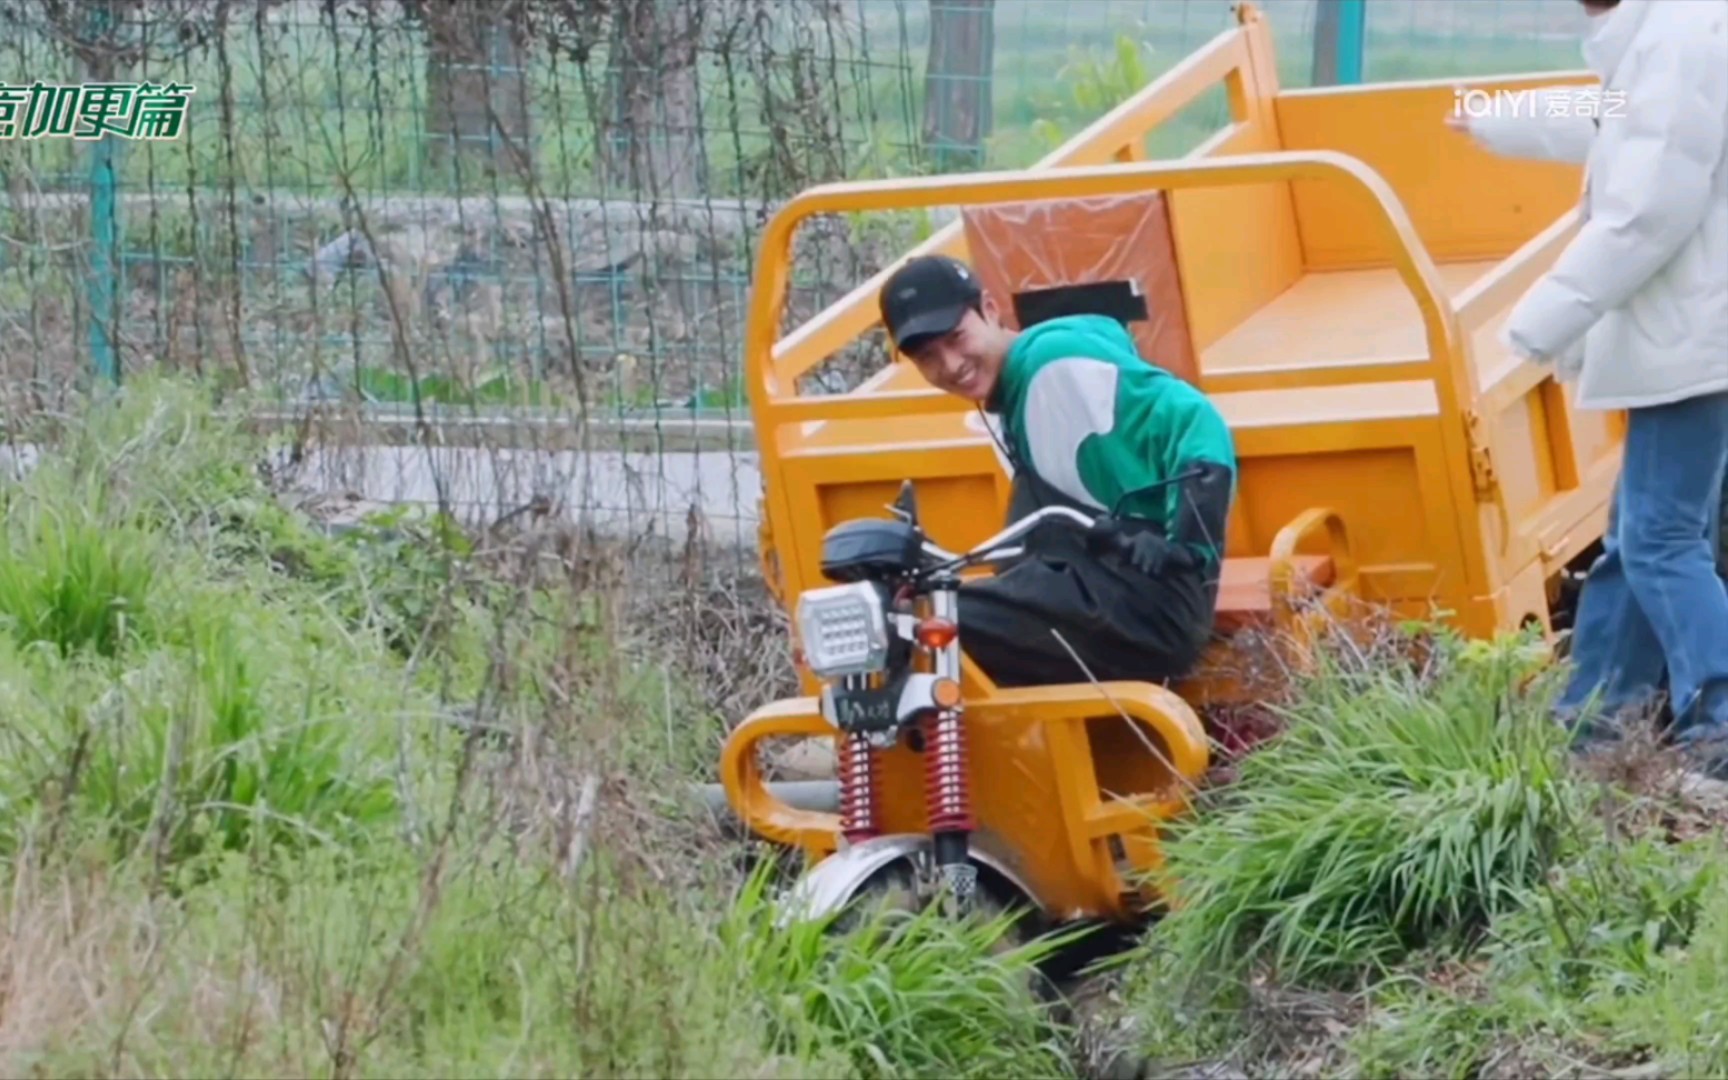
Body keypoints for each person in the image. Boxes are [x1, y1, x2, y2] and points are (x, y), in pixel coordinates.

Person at [1448, 0, 1728, 773]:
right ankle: (1593, 726)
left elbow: (1648, 213)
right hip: (1687, 332)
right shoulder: (1664, 36)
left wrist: (1537, 325)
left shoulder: (1681, 41)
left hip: (1694, 335)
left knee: (1660, 538)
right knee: (1644, 535)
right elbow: (1613, 113)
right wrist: (1493, 116)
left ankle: (1716, 731)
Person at [876, 253, 1237, 689]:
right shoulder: (1017, 390)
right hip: (1104, 593)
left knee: (927, 626)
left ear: (989, 310)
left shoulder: (1056, 364)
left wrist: (1188, 546)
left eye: (956, 337)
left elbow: (1196, 419)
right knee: (930, 617)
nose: (950, 365)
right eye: (928, 357)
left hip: (1148, 604)